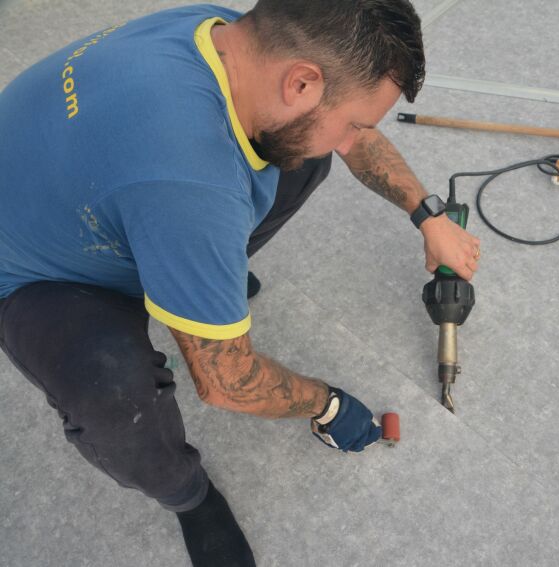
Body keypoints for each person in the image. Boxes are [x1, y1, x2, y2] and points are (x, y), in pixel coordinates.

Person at [0, 1, 481, 565]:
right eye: (356, 119)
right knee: (117, 402)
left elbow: (348, 142)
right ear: (302, 81)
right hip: (37, 275)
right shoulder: (190, 183)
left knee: (304, 152)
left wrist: (429, 215)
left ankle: (199, 282)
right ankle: (188, 496)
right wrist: (327, 405)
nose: (356, 134)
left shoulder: (230, 35)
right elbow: (227, 382)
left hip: (104, 195)